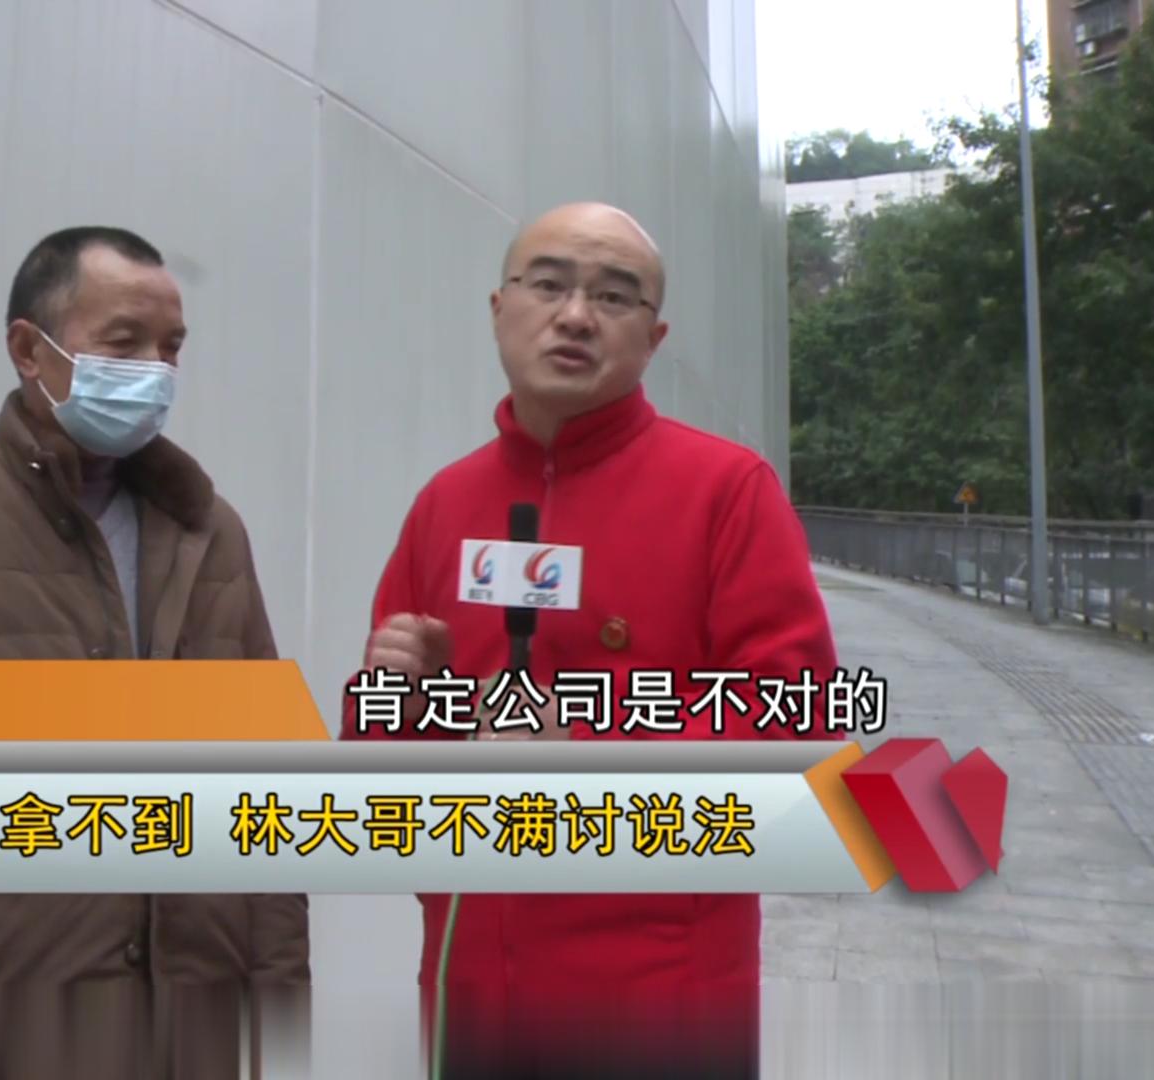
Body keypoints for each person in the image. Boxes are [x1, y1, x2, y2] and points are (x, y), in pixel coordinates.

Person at [343, 202, 839, 1080]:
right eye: (549, 285)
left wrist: (590, 748)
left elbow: (798, 735)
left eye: (614, 297)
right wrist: (408, 700)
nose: (575, 316)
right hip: (469, 992)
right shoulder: (445, 503)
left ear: (654, 337)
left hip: (660, 997)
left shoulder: (727, 492)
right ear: (499, 307)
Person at [0, 226, 309, 1078]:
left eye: (171, 347)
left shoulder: (211, 534)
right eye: (124, 342)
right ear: (28, 350)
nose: (155, 370)